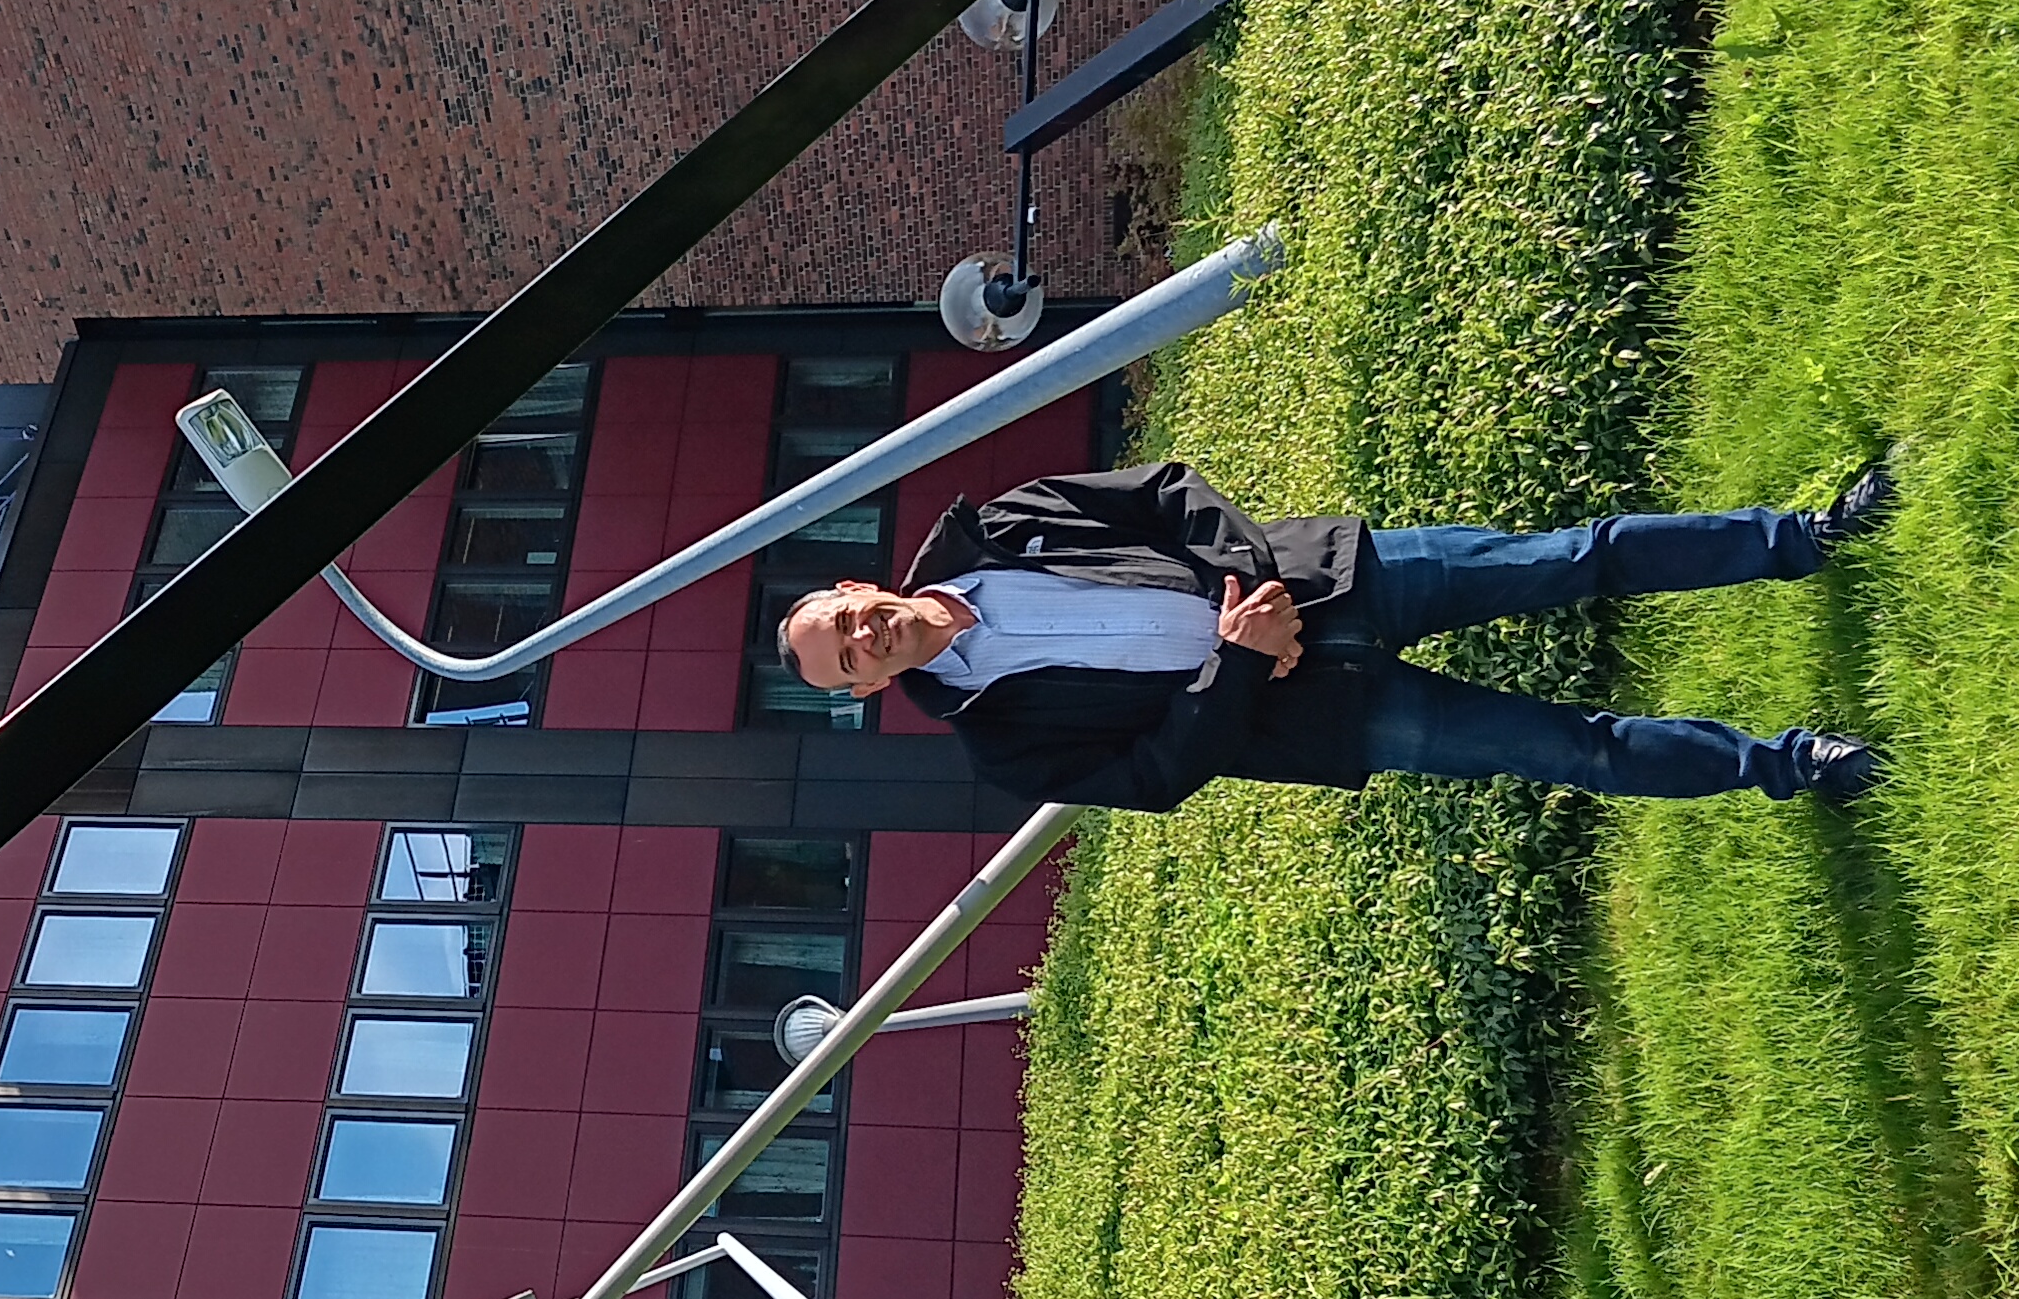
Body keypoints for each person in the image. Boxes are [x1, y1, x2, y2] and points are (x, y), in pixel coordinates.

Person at [777, 460, 1894, 816]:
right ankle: (1790, 765)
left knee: (1573, 555)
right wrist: (1238, 660)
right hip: (1321, 714)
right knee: (1570, 750)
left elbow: (1167, 490)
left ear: (854, 582)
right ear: (868, 689)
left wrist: (1253, 589)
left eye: (846, 619)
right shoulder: (1001, 748)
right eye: (850, 660)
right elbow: (1157, 775)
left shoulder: (1004, 519)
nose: (865, 637)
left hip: (1340, 579)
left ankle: (1800, 537)